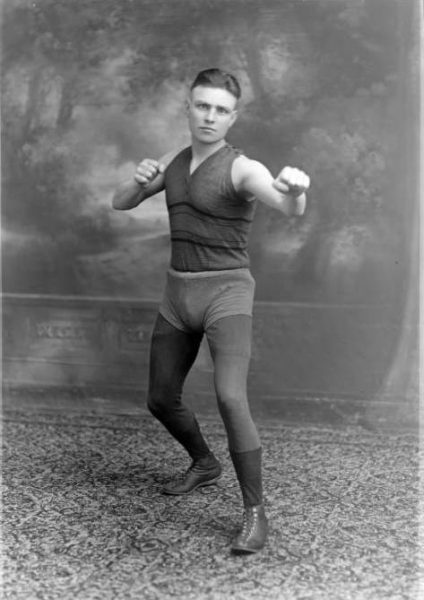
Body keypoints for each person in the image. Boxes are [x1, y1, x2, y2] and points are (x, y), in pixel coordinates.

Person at [112, 68, 310, 554]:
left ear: (232, 117)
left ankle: (255, 514)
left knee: (229, 397)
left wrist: (296, 188)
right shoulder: (173, 162)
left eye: (221, 110)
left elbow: (288, 208)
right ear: (189, 106)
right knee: (160, 398)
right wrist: (137, 183)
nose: (210, 116)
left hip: (227, 295)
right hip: (177, 296)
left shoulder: (242, 168)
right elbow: (119, 204)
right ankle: (204, 463)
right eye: (203, 105)